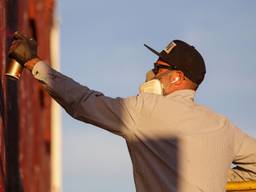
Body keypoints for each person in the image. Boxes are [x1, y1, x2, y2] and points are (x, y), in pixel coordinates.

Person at [8, 32, 256, 192]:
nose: (152, 73)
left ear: (178, 77)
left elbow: (82, 102)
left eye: (159, 68)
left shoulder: (145, 109)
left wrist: (32, 62)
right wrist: (209, 176)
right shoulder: (222, 126)